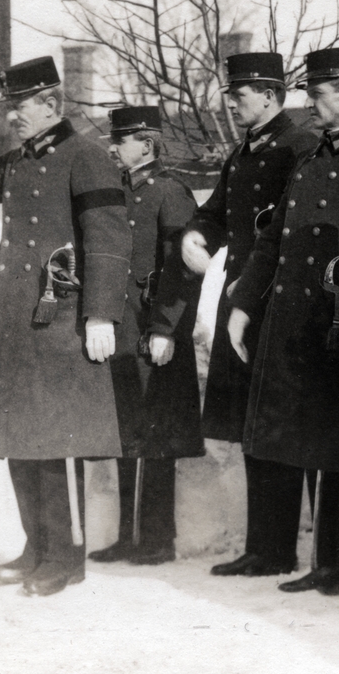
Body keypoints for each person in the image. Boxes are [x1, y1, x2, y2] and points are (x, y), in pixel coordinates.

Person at [0, 56, 129, 597]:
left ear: (51, 104)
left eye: (18, 108)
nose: (11, 119)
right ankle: (37, 547)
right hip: (15, 315)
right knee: (21, 437)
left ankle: (66, 557)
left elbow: (108, 239)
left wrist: (100, 313)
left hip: (61, 316)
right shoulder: (19, 160)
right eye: (7, 110)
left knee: (57, 439)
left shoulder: (86, 157)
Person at [225, 47, 339, 596]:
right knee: (316, 434)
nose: (307, 104)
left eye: (317, 94)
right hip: (302, 317)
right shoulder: (314, 155)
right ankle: (325, 560)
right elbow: (276, 238)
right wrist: (244, 303)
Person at [172, 51, 318, 578]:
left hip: (276, 301)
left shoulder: (298, 145)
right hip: (241, 296)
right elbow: (216, 213)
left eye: (241, 95)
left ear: (272, 96)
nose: (233, 104)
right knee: (254, 428)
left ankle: (282, 549)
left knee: (276, 425)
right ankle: (264, 548)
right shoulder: (245, 150)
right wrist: (196, 234)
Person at [87, 106, 205, 567]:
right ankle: (127, 534)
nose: (113, 148)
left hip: (154, 331)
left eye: (121, 140)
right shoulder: (117, 191)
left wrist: (166, 328)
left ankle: (156, 538)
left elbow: (183, 271)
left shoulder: (171, 192)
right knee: (126, 436)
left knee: (156, 439)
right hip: (122, 327)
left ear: (148, 143)